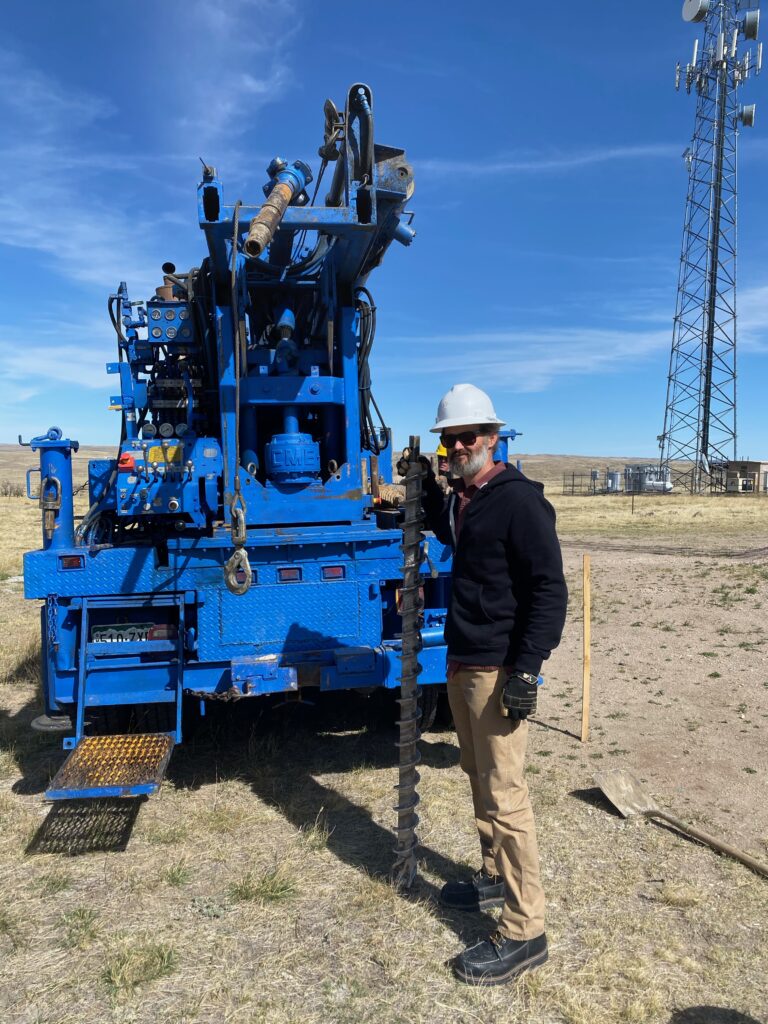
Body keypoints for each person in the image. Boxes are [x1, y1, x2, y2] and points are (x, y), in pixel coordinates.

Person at [402, 383, 568, 987]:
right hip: (463, 662)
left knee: (506, 793)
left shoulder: (519, 501)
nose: (456, 447)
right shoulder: (465, 500)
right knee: (477, 775)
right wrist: (422, 486)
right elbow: (454, 538)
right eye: (448, 440)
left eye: (467, 437)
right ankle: (494, 878)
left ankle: (526, 931)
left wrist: (528, 669)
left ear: (492, 439)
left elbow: (549, 591)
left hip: (498, 667)